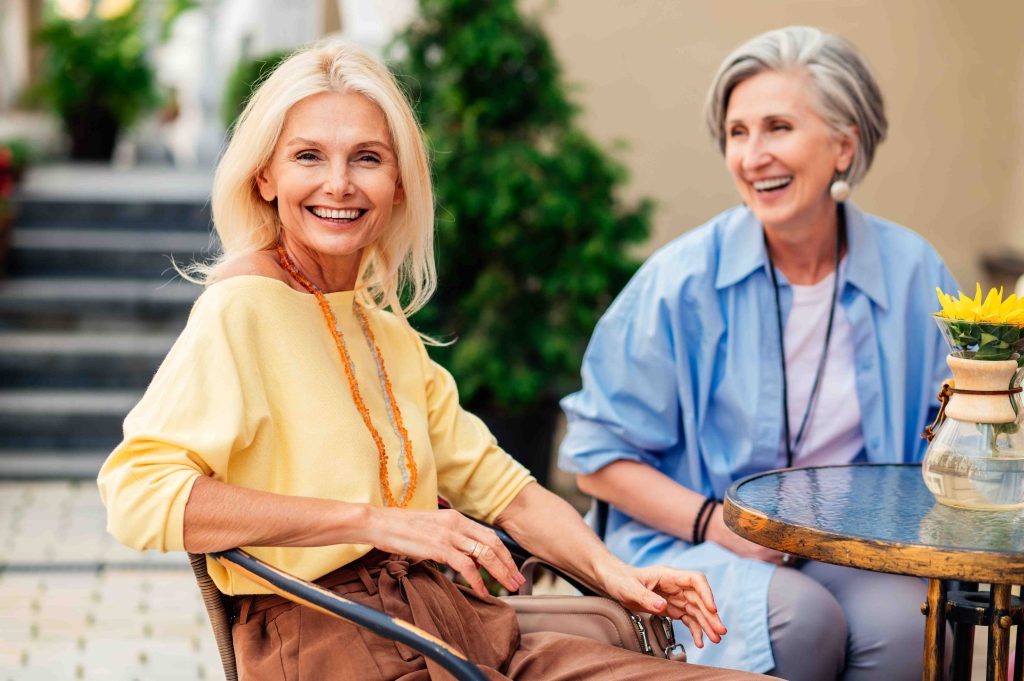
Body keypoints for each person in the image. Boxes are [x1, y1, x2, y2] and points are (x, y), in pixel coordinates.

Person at [97, 41, 769, 681]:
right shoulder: (239, 309)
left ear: (399, 183)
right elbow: (138, 493)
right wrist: (374, 520)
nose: (339, 183)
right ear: (265, 176)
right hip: (330, 641)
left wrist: (614, 572)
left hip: (459, 627)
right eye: (308, 156)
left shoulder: (386, 333)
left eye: (366, 157)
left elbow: (503, 488)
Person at [559, 26, 958, 681]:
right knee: (800, 621)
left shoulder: (915, 271)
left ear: (843, 144)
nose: (752, 155)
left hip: (851, 545)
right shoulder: (680, 280)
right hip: (690, 537)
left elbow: (956, 436)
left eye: (777, 127)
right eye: (737, 133)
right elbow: (597, 461)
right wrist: (713, 521)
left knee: (905, 620)